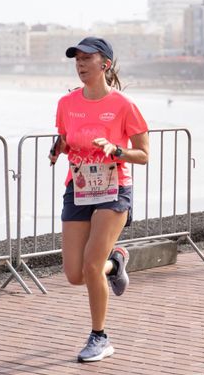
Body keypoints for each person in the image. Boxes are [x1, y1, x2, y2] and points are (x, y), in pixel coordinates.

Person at [49, 37, 150, 362]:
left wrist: (116, 150)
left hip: (114, 188)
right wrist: (58, 149)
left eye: (86, 59)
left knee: (91, 265)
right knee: (75, 275)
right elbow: (65, 139)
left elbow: (144, 155)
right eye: (76, 59)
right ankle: (116, 262)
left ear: (104, 64)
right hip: (78, 188)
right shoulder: (67, 103)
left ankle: (99, 337)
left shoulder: (123, 105)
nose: (79, 64)